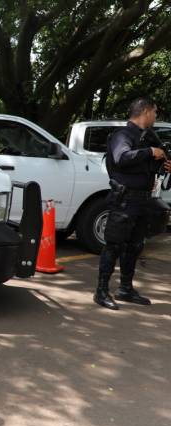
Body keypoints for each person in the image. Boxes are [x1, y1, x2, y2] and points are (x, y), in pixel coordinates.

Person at [93, 97, 171, 310]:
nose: (156, 116)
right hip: (125, 200)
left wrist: (164, 166)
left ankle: (125, 289)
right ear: (145, 111)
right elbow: (122, 157)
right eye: (154, 111)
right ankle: (101, 291)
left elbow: (148, 168)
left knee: (135, 246)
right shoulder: (123, 135)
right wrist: (150, 152)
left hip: (143, 200)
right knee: (114, 245)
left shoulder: (148, 138)